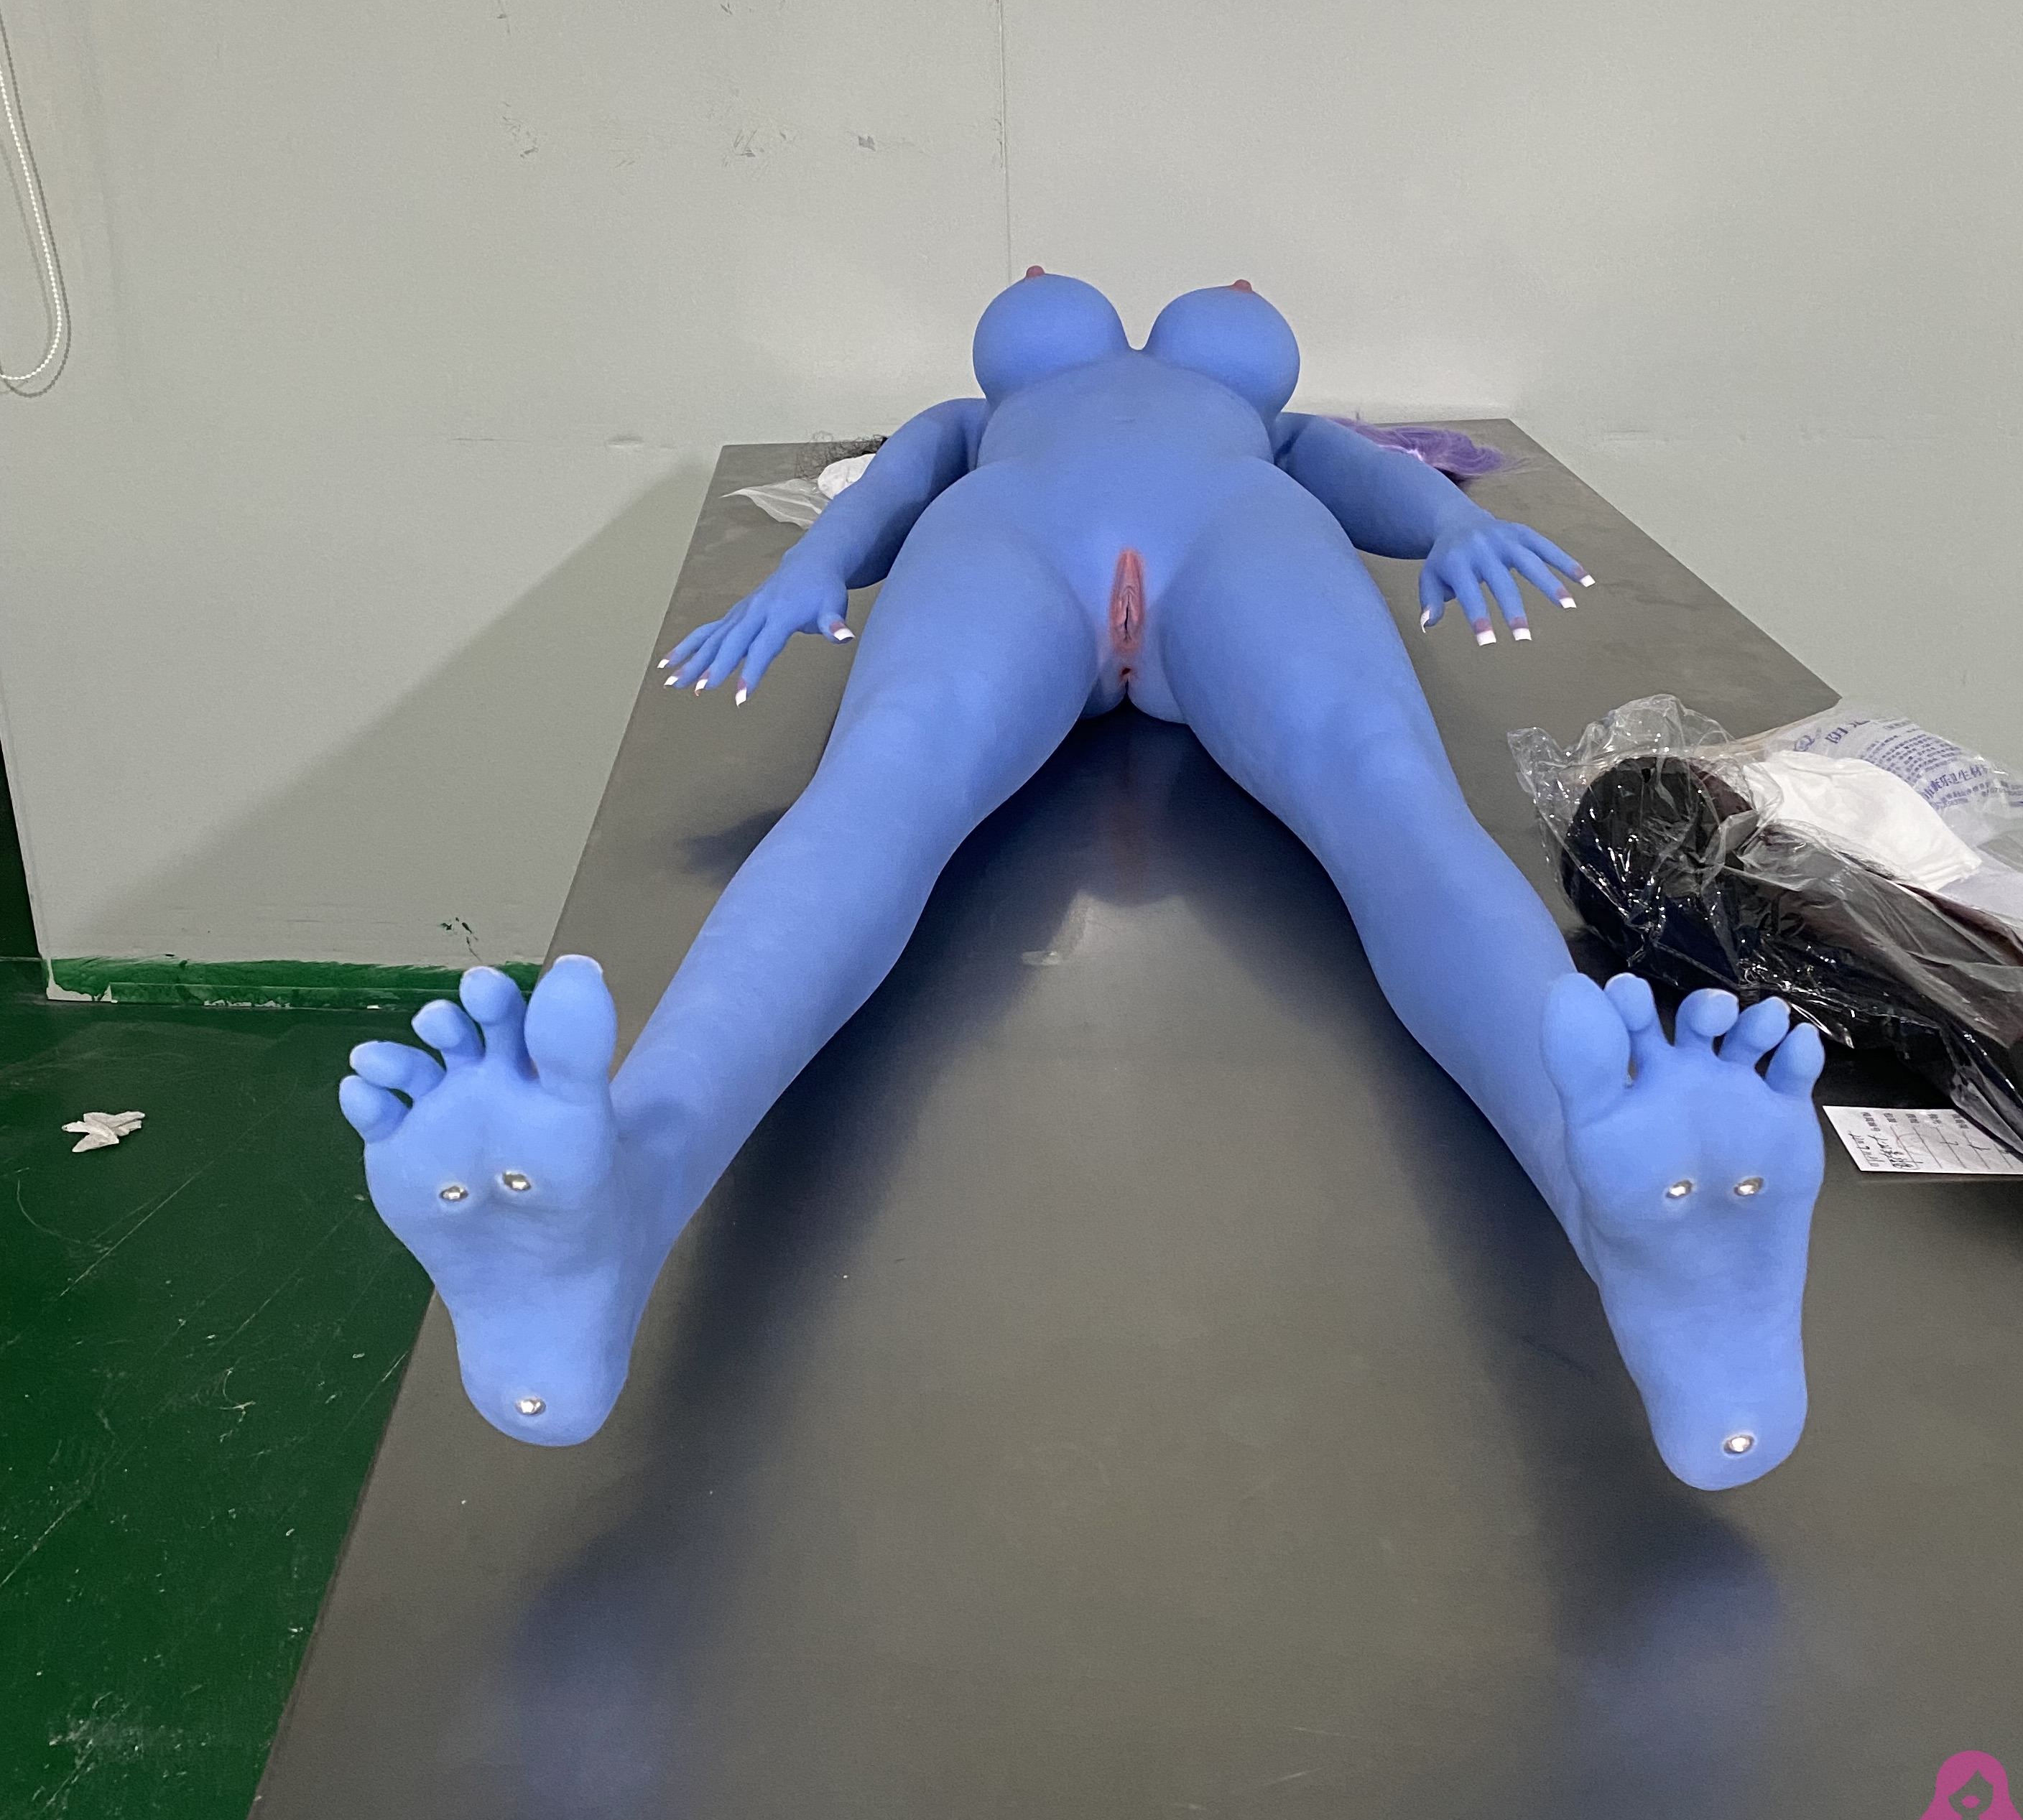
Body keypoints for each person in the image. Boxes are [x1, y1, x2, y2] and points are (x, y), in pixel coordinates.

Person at [340, 274, 1825, 1489]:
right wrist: (810, 571)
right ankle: (619, 1200)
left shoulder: (1274, 430)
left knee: (1315, 784)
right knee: (1295, 788)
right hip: (1035, 532)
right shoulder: (976, 422)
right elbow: (892, 488)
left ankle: (1627, 1205)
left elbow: (1370, 477)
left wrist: (1457, 521)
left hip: (1214, 527)